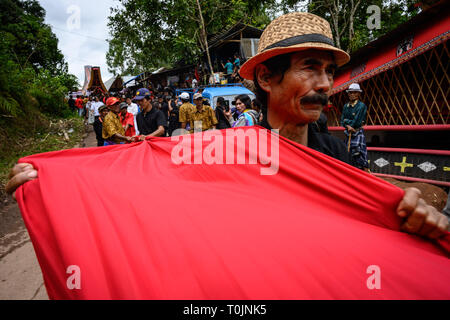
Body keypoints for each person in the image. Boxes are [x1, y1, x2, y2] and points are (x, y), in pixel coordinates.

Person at [5, 12, 449, 241]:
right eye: (310, 68)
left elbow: (377, 212)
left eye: (330, 73)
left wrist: (415, 216)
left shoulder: (337, 159)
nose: (325, 85)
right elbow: (144, 171)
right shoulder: (224, 150)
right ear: (265, 78)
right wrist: (59, 177)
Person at [341, 83, 369, 170]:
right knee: (347, 153)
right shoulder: (346, 106)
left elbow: (357, 121)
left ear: (358, 94)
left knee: (358, 154)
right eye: (350, 92)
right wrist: (348, 126)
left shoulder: (361, 106)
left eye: (354, 92)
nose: (352, 94)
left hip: (357, 132)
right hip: (348, 133)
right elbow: (342, 120)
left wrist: (348, 123)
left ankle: (360, 171)